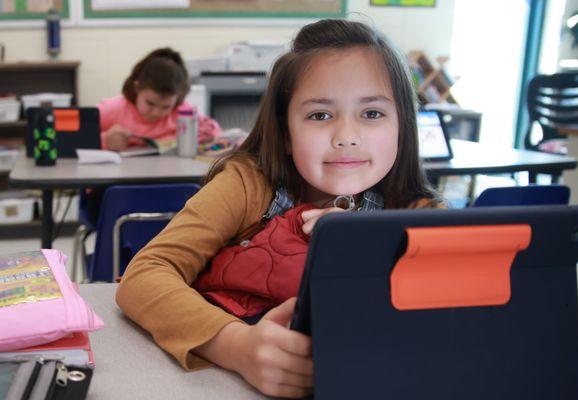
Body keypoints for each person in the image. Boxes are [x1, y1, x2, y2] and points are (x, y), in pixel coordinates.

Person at [116, 19, 442, 398]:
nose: (347, 138)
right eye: (320, 115)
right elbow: (145, 274)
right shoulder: (248, 186)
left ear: (403, 125)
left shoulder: (421, 213)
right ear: (286, 133)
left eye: (372, 114)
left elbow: (456, 323)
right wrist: (238, 347)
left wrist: (366, 252)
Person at [98, 47, 221, 151]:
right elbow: (79, 137)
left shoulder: (182, 112)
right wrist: (104, 140)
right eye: (150, 103)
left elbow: (212, 130)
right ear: (137, 88)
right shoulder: (112, 109)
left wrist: (202, 137)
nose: (157, 113)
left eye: (166, 107)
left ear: (177, 98)